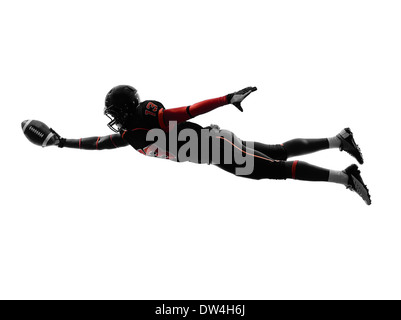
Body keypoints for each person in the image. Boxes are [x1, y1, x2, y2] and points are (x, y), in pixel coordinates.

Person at [48, 85, 371, 205]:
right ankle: (338, 140)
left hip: (214, 146)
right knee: (276, 153)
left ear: (131, 107)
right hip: (213, 149)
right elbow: (100, 142)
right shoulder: (131, 133)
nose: (116, 117)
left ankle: (346, 177)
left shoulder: (151, 116)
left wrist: (226, 99)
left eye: (118, 111)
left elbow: (188, 110)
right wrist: (61, 142)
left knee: (269, 170)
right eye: (114, 112)